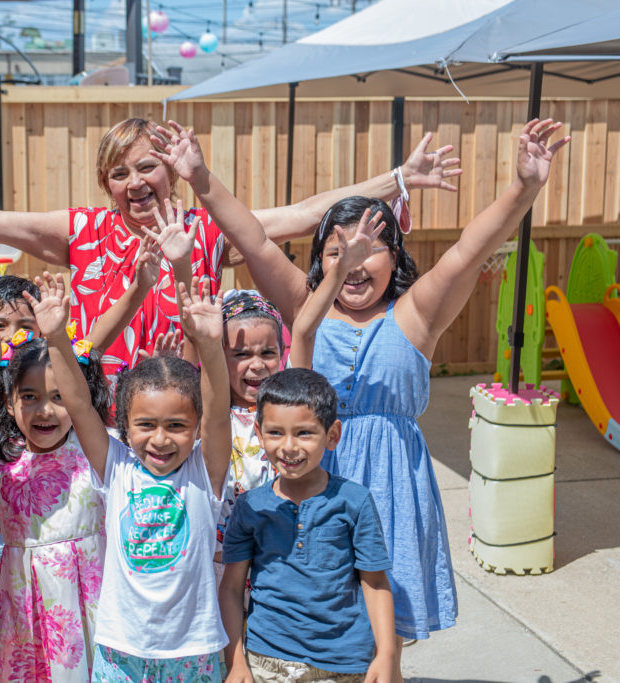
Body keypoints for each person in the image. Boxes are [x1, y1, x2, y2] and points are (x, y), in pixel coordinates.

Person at [207, 118, 571, 644]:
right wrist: (200, 178)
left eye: (369, 248)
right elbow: (253, 239)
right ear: (320, 262)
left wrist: (525, 186)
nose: (353, 263)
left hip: (392, 484)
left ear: (395, 254)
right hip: (314, 473)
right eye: (337, 250)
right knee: (313, 621)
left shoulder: (417, 313)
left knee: (383, 635)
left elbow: (470, 247)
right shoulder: (305, 306)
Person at [0, 118, 459, 373]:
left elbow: (305, 213)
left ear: (172, 168)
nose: (135, 183)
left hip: (192, 396)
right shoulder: (84, 231)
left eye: (147, 167)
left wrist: (399, 179)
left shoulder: (209, 227)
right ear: (106, 184)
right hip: (102, 400)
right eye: (119, 174)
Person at [24, 268, 231, 681]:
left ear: (195, 428)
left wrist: (210, 347)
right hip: (121, 651)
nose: (160, 439)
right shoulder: (117, 466)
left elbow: (218, 413)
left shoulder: (203, 471)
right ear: (124, 422)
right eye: (146, 425)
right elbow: (80, 404)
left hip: (192, 650)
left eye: (176, 426)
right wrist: (57, 338)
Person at [213, 210, 387, 580]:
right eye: (240, 355)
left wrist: (339, 271)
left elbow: (306, 328)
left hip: (287, 562)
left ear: (283, 353)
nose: (256, 365)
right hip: (225, 565)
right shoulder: (213, 415)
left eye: (267, 353)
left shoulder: (290, 400)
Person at [219, 368, 397, 683]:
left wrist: (386, 655)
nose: (289, 447)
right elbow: (232, 589)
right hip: (267, 663)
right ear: (259, 435)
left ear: (332, 435)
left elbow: (376, 583)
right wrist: (236, 662)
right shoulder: (249, 507)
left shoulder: (354, 502)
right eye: (276, 433)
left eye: (304, 433)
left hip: (345, 664)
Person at [0, 335, 113, 682]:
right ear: (9, 403)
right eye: (30, 396)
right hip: (21, 597)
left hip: (88, 596)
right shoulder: (0, 457)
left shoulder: (97, 450)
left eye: (60, 397)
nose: (45, 409)